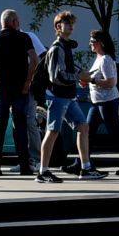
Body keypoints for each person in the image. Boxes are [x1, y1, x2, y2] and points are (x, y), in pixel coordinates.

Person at [34, 11, 91, 185]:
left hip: (67, 96)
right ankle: (43, 172)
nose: (71, 26)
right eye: (67, 23)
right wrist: (79, 77)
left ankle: (86, 168)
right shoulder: (57, 48)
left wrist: (80, 75)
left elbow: (69, 70)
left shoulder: (66, 46)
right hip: (58, 97)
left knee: (82, 126)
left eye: (72, 23)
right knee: (52, 132)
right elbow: (57, 76)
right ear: (58, 27)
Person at [0, 9, 37, 177]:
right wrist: (28, 82)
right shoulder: (23, 38)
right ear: (13, 22)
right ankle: (24, 166)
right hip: (20, 89)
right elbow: (34, 59)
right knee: (20, 126)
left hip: (1, 89)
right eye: (18, 21)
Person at [83, 30, 119, 177]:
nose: (90, 43)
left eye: (93, 41)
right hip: (97, 102)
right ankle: (82, 163)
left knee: (115, 133)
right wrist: (87, 81)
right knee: (87, 132)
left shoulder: (106, 59)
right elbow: (97, 78)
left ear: (101, 43)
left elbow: (111, 82)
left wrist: (92, 80)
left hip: (107, 102)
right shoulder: (98, 58)